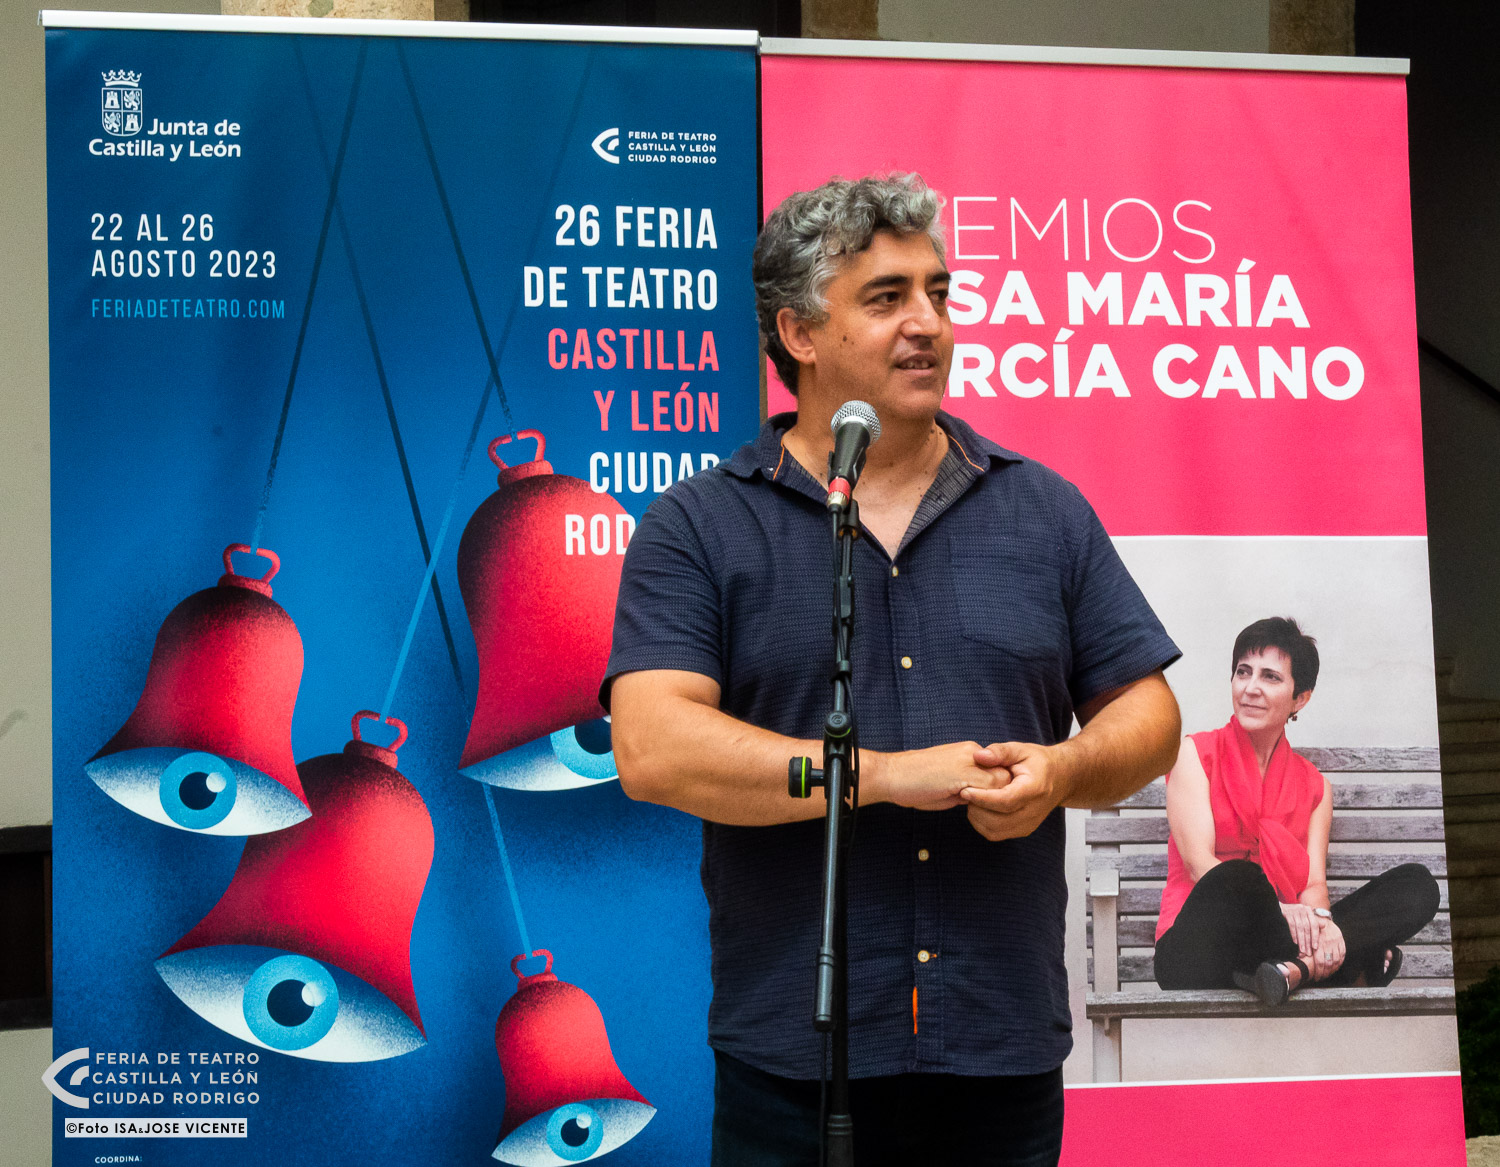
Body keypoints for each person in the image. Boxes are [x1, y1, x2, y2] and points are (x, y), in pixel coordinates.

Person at [604, 174, 1182, 1167]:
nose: (929, 324)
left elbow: (1151, 715)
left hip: (998, 1052)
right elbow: (653, 750)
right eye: (886, 298)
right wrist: (881, 777)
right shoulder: (699, 525)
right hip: (795, 1058)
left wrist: (1062, 772)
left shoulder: (1044, 512)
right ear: (798, 332)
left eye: (938, 293)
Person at [1154, 616, 1441, 1005]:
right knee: (1239, 877)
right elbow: (1197, 865)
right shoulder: (1194, 754)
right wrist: (1283, 912)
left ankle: (1294, 971)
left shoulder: (1315, 787)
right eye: (1243, 672)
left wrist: (1322, 924)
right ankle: (1347, 959)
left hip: (1275, 946)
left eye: (1270, 677)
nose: (1250, 688)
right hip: (1195, 949)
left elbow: (1313, 886)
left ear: (1300, 698)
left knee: (1418, 885)